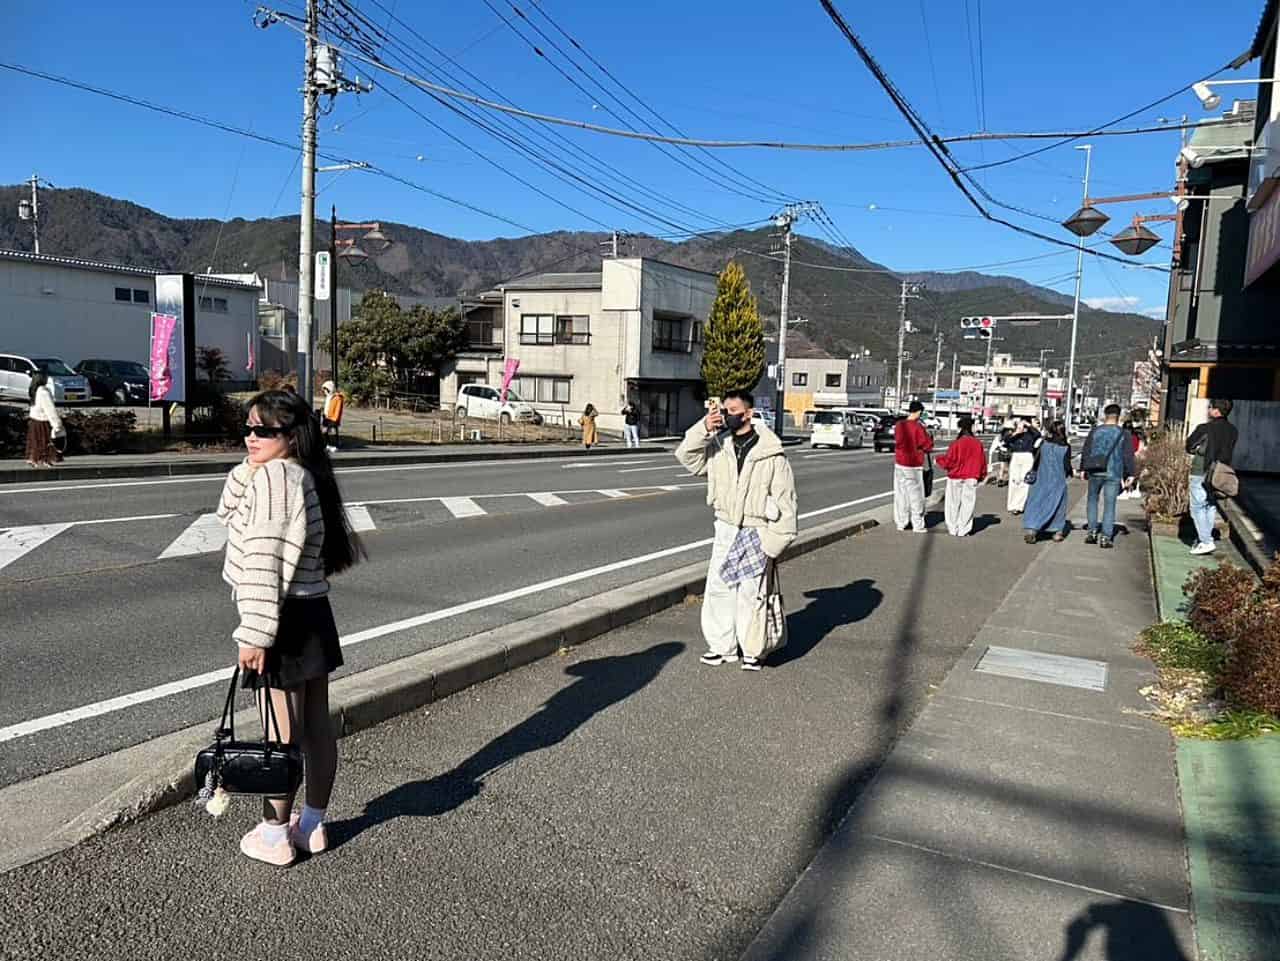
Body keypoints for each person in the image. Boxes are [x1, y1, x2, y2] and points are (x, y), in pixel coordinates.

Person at [215, 390, 365, 866]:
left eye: (264, 430)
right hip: (312, 610)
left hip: (280, 615)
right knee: (316, 726)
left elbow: (264, 558)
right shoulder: (299, 472)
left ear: (292, 435)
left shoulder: (277, 478)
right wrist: (251, 464)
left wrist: (255, 634)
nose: (251, 436)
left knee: (279, 734)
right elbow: (231, 506)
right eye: (248, 427)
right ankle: (311, 825)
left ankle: (274, 833)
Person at [675, 389, 797, 670]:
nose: (727, 416)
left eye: (733, 411)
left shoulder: (771, 452)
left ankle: (753, 649)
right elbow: (686, 456)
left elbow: (786, 499)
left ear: (748, 413)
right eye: (724, 411)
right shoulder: (719, 445)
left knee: (751, 593)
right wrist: (705, 427)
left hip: (757, 528)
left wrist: (777, 542)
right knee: (719, 589)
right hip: (726, 526)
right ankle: (722, 647)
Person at [1185, 398, 1238, 555]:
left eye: (1210, 407)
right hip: (1221, 473)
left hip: (1201, 469)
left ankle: (1206, 541)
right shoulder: (1233, 430)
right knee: (1210, 505)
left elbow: (1189, 446)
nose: (1208, 410)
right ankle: (1205, 539)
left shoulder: (1205, 428)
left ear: (1216, 410)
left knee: (1197, 507)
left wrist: (1197, 450)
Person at [1079, 403, 1137, 549]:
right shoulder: (1124, 434)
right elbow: (1128, 455)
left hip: (1095, 470)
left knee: (1092, 500)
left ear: (1105, 415)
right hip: (1114, 472)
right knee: (1110, 504)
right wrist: (1130, 473)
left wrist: (1083, 468)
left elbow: (1086, 450)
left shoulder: (1095, 431)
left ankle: (1092, 532)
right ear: (1119, 416)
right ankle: (1105, 537)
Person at [1022, 421, 1075, 544]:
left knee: (1036, 503)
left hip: (1041, 478)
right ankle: (1057, 532)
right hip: (1058, 480)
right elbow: (1067, 466)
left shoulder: (1044, 444)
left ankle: (1032, 530)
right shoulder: (1065, 447)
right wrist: (1071, 473)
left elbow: (1036, 460)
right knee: (1058, 505)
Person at [935, 415, 987, 536]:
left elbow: (949, 461)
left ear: (960, 428)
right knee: (968, 504)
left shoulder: (956, 443)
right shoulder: (977, 444)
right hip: (971, 476)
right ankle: (964, 529)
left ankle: (953, 528)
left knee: (953, 503)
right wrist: (982, 476)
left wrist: (938, 460)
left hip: (956, 476)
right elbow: (982, 462)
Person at [892, 401, 934, 532]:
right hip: (913, 465)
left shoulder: (899, 425)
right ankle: (918, 525)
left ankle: (901, 522)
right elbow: (927, 445)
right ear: (919, 412)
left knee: (901, 495)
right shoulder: (918, 427)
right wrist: (930, 439)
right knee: (916, 496)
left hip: (899, 463)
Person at [25, 371, 65, 468]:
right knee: (45, 442)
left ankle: (33, 459)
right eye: (46, 377)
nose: (47, 378)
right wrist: (57, 424)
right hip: (43, 421)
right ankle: (45, 460)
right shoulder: (44, 392)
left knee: (35, 441)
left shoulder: (34, 390)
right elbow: (50, 409)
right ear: (42, 379)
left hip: (34, 420)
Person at [1004, 418, 1040, 515]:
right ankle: (1012, 505)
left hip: (1027, 455)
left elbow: (1037, 434)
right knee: (1014, 480)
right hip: (1016, 455)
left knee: (1025, 481)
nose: (1021, 427)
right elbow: (1006, 440)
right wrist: (1016, 432)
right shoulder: (1014, 434)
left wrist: (1028, 425)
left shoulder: (1030, 434)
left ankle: (1020, 506)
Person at [320, 380, 344, 453]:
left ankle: (330, 446)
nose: (324, 392)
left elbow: (337, 410)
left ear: (329, 389)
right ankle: (328, 445)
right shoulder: (329, 397)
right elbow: (328, 407)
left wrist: (334, 419)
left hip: (332, 419)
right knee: (324, 432)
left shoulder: (337, 398)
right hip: (326, 417)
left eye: (325, 389)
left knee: (325, 431)